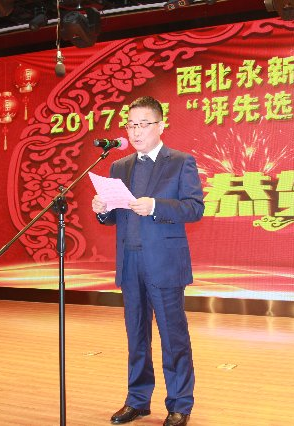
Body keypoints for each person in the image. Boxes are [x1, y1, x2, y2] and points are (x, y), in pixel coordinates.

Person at [91, 96, 204, 426]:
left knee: (173, 337)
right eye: (131, 125)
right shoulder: (120, 167)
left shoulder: (180, 162)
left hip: (165, 264)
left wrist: (156, 206)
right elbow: (117, 216)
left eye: (143, 124)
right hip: (130, 263)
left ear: (160, 125)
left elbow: (194, 208)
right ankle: (137, 400)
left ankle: (180, 404)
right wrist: (103, 210)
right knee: (136, 337)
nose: (136, 131)